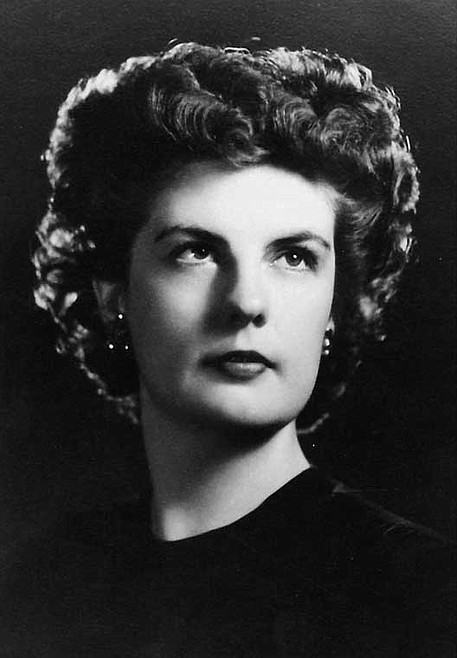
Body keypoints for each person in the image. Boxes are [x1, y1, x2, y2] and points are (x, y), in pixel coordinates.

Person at [2, 43, 454, 656]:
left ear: (337, 304)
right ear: (115, 296)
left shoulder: (423, 591)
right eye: (195, 251)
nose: (245, 302)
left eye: (293, 257)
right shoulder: (42, 582)